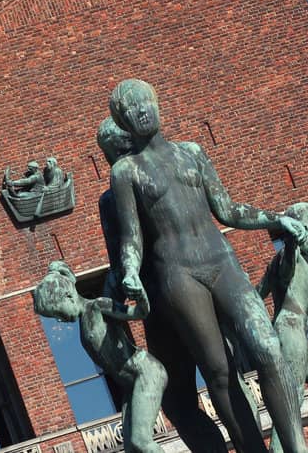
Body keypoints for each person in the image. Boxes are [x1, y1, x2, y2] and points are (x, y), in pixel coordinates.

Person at [108, 79, 308, 453]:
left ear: (158, 102)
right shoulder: (126, 172)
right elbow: (131, 237)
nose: (142, 110)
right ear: (124, 120)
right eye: (133, 108)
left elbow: (227, 209)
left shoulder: (192, 152)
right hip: (178, 275)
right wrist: (128, 271)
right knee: (219, 371)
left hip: (222, 261)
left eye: (146, 101)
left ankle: (296, 448)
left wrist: (276, 220)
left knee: (268, 349)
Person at [96, 118, 225, 453]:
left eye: (112, 151)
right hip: (193, 290)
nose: (113, 160)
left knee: (182, 398)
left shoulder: (112, 199)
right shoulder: (175, 166)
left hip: (159, 303)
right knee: (222, 379)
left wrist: (116, 297)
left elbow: (119, 262)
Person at [33, 260, 166, 453]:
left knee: (141, 441)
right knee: (132, 450)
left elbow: (139, 312)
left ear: (68, 296)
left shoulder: (98, 305)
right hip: (131, 386)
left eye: (57, 312)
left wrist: (141, 296)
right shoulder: (83, 324)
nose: (59, 319)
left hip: (146, 373)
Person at [257, 202, 308, 453]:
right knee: (293, 399)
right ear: (304, 229)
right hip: (290, 332)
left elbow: (256, 294)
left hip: (295, 335)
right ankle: (279, 450)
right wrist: (292, 242)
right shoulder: (286, 257)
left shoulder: (284, 260)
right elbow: (286, 267)